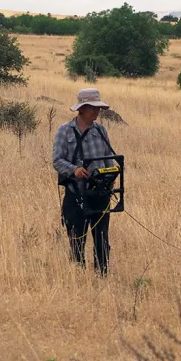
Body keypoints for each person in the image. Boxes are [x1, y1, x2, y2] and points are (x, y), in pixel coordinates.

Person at [53, 88, 116, 276]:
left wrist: (111, 177)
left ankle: (101, 274)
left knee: (101, 237)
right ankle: (78, 275)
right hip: (76, 193)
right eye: (93, 109)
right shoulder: (65, 131)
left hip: (99, 193)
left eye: (98, 108)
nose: (97, 112)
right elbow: (57, 160)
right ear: (82, 109)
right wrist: (75, 170)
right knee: (77, 237)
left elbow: (108, 158)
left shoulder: (101, 130)